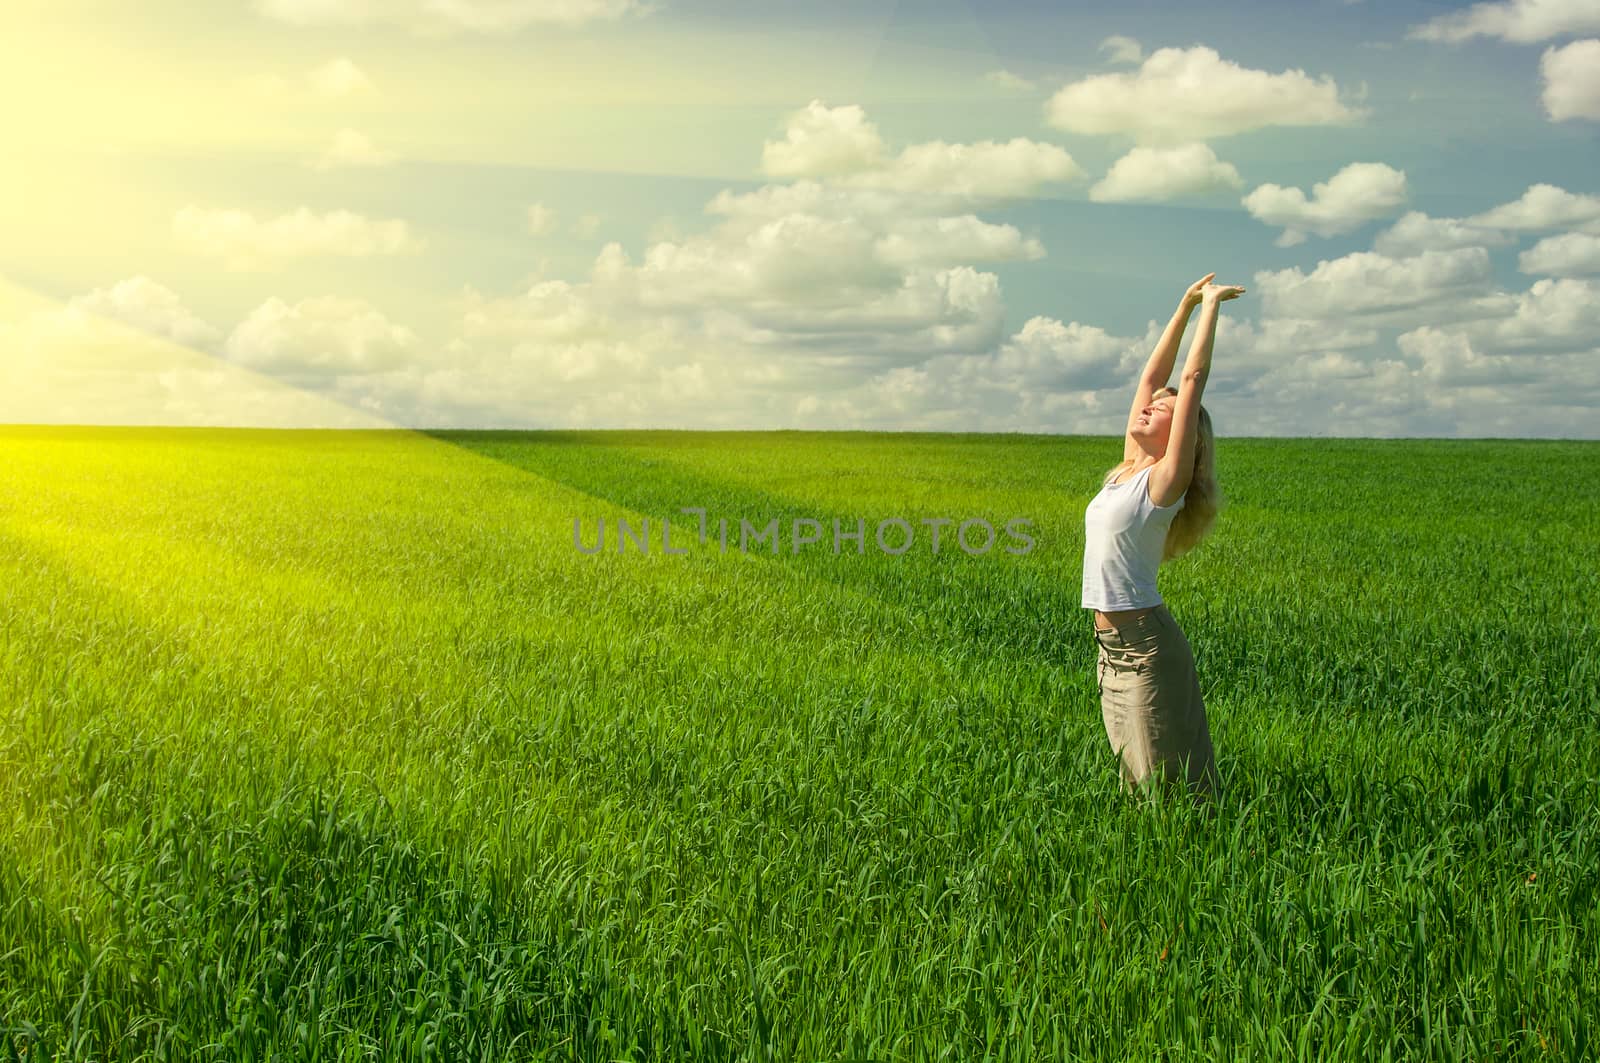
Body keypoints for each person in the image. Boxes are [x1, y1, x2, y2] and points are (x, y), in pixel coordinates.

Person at [1080, 272, 1243, 800]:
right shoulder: (1128, 468)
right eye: (1151, 405)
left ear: (1182, 434)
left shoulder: (1162, 484)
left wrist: (1212, 307)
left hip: (1147, 648)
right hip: (1109, 648)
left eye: (1163, 411)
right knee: (1133, 784)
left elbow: (1191, 379)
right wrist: (1183, 306)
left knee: (1166, 790)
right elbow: (1153, 377)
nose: (1149, 406)